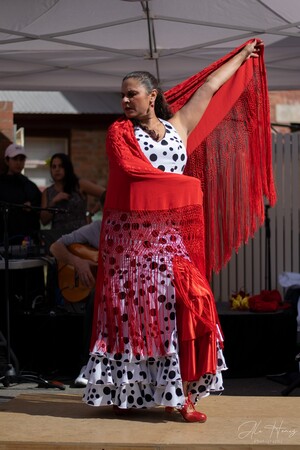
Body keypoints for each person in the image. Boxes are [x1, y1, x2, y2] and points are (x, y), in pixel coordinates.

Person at [83, 39, 276, 422]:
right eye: (122, 95)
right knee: (133, 319)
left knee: (186, 310)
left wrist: (242, 56)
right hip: (132, 248)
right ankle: (129, 396)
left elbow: (209, 88)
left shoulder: (179, 128)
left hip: (171, 245)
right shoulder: (120, 134)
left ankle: (183, 397)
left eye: (131, 94)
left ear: (152, 96)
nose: (124, 101)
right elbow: (135, 173)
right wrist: (189, 188)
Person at [49, 191, 106, 386]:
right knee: (96, 299)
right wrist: (79, 262)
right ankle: (87, 363)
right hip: (100, 290)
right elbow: (55, 247)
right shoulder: (96, 228)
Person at [41, 153, 105, 236]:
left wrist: (91, 213)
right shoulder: (47, 192)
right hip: (58, 237)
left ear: (67, 168)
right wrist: (54, 201)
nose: (57, 169)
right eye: (54, 167)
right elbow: (44, 221)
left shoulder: (79, 185)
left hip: (80, 234)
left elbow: (106, 193)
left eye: (61, 166)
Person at [0, 143, 41, 245]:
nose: (18, 163)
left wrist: (31, 207)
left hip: (25, 242)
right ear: (7, 160)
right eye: (15, 159)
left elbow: (39, 209)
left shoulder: (30, 186)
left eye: (21, 159)